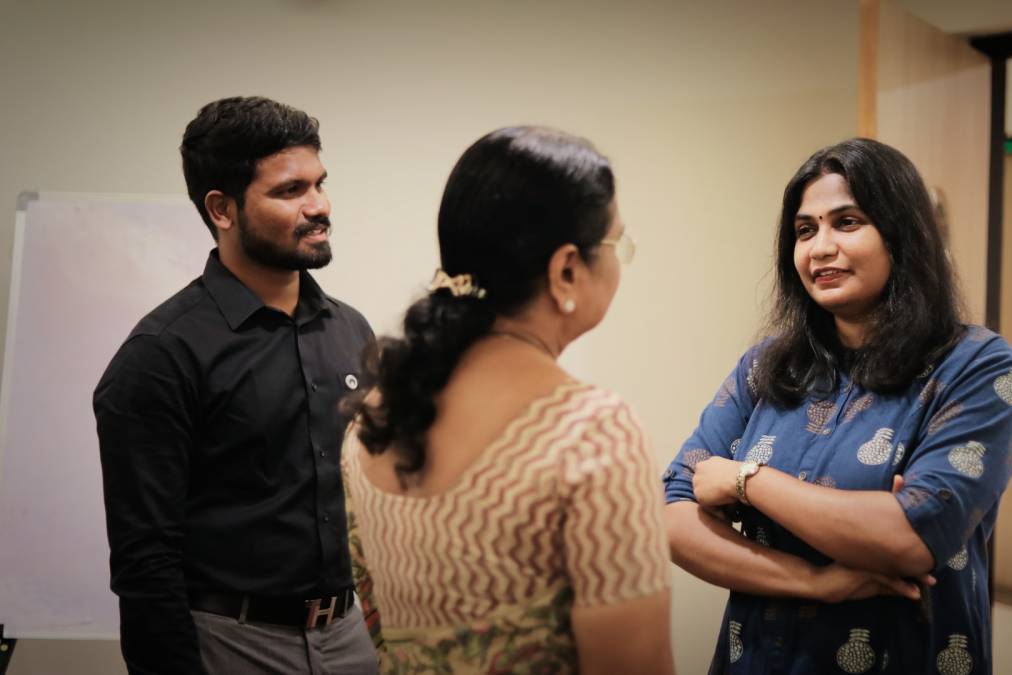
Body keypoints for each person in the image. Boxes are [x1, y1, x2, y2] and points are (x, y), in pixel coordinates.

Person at [662, 138, 1012, 674]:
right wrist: (814, 581)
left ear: (902, 235)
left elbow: (912, 537)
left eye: (847, 222)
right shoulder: (767, 367)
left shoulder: (975, 367)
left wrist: (745, 480)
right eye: (805, 230)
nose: (820, 247)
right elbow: (673, 515)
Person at [340, 126, 675, 674]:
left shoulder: (373, 420)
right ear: (566, 270)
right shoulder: (592, 433)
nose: (622, 262)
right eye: (619, 245)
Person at [94, 96, 378, 675]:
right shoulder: (161, 355)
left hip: (351, 637)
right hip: (233, 644)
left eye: (319, 184)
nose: (319, 206)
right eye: (290, 190)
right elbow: (146, 559)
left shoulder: (350, 331)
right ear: (222, 209)